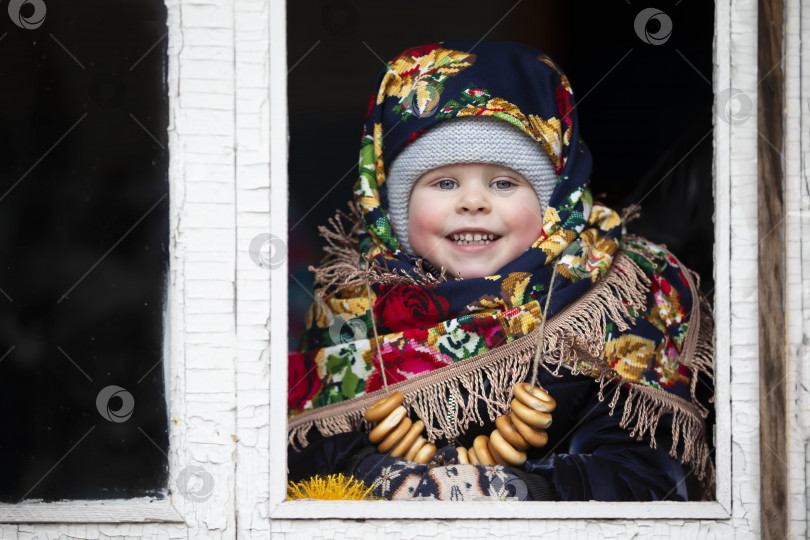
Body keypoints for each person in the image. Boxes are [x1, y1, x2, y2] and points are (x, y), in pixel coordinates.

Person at [286, 41, 714, 501]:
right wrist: (369, 470)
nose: (474, 202)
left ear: (555, 202)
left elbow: (652, 475)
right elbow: (304, 455)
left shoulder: (618, 296)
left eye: (505, 183)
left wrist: (529, 488)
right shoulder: (351, 304)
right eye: (444, 182)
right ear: (392, 208)